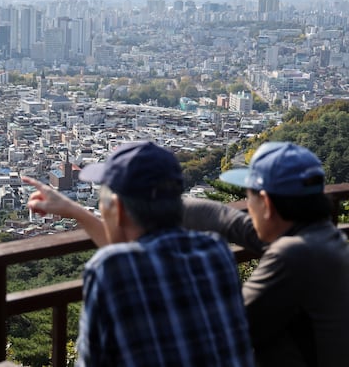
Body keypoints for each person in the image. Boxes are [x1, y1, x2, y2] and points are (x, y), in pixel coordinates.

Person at [24, 141, 254, 366]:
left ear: (117, 208)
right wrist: (76, 211)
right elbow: (136, 257)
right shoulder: (214, 250)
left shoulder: (110, 268)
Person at [182, 141, 349, 367]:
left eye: (249, 197)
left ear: (267, 203)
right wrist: (166, 207)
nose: (248, 208)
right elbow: (233, 223)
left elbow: (227, 330)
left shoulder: (293, 255)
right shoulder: (326, 237)